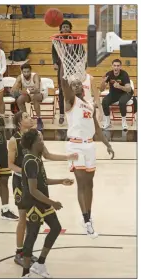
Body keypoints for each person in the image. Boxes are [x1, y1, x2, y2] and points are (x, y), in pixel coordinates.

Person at [8, 111, 78, 267]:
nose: (30, 118)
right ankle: (19, 252)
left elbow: (48, 155)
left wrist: (68, 157)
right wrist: (25, 172)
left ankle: (28, 255)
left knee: (35, 223)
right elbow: (10, 165)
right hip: (21, 183)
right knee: (23, 220)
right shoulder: (13, 140)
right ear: (19, 123)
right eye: (26, 117)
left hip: (35, 180)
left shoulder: (37, 135)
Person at [60, 65, 115, 237]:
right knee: (82, 181)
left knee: (89, 184)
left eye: (78, 84)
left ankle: (88, 217)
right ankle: (86, 220)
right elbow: (63, 83)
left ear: (83, 87)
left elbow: (97, 129)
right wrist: (63, 62)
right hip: (75, 146)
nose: (76, 86)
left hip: (90, 145)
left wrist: (107, 144)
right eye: (73, 85)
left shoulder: (90, 105)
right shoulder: (71, 101)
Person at [21, 129, 74, 277]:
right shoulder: (30, 161)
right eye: (40, 140)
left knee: (56, 228)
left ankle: (40, 263)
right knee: (31, 236)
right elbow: (33, 190)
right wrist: (53, 202)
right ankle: (25, 273)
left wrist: (61, 181)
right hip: (33, 204)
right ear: (33, 143)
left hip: (42, 202)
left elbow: (43, 182)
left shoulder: (36, 158)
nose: (43, 142)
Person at [52, 20, 85, 125]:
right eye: (63, 27)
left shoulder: (75, 39)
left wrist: (80, 63)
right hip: (62, 67)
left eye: (67, 27)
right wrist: (54, 63)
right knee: (62, 91)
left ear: (70, 29)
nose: (65, 28)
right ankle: (62, 115)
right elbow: (54, 53)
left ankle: (78, 111)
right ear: (60, 29)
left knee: (77, 89)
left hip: (73, 67)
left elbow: (82, 53)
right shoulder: (57, 40)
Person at [0, 97, 18, 220]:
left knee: (4, 181)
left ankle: (5, 210)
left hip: (3, 155)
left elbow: (4, 138)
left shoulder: (0, 119)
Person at [100, 59, 133, 131]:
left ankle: (124, 123)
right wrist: (103, 82)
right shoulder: (109, 74)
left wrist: (120, 86)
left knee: (122, 102)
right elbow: (101, 89)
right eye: (114, 65)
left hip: (125, 93)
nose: (116, 67)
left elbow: (129, 89)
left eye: (118, 66)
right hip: (114, 93)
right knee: (104, 101)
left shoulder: (124, 74)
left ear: (120, 67)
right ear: (112, 66)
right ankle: (108, 122)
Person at [11, 63, 44, 131]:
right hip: (29, 94)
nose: (26, 73)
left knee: (35, 97)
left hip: (40, 93)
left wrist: (27, 91)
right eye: (24, 72)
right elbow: (13, 88)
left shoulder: (35, 76)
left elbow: (37, 88)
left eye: (28, 71)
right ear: (22, 72)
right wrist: (15, 91)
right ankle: (25, 119)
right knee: (19, 100)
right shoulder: (20, 77)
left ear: (30, 71)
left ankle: (39, 120)